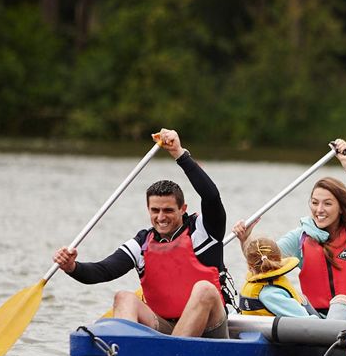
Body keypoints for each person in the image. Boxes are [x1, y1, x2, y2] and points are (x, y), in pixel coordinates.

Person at [53, 129, 229, 338]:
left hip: (210, 328)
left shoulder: (203, 231)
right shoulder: (143, 243)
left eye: (168, 210)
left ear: (183, 209)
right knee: (124, 297)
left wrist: (179, 154)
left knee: (204, 289)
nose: (161, 217)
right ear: (148, 210)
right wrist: (72, 266)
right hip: (168, 329)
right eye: (155, 210)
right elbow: (103, 271)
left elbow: (211, 197)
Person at [234, 139, 346, 322]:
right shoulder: (300, 237)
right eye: (315, 203)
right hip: (318, 325)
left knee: (340, 302)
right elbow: (262, 262)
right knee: (295, 297)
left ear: (341, 208)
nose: (319, 210)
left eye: (327, 203)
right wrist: (245, 239)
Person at [232, 232, 346, 321]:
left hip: (283, 335)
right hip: (320, 342)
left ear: (250, 266)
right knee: (341, 301)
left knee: (303, 299)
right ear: (279, 260)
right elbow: (307, 322)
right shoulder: (271, 294)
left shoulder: (255, 289)